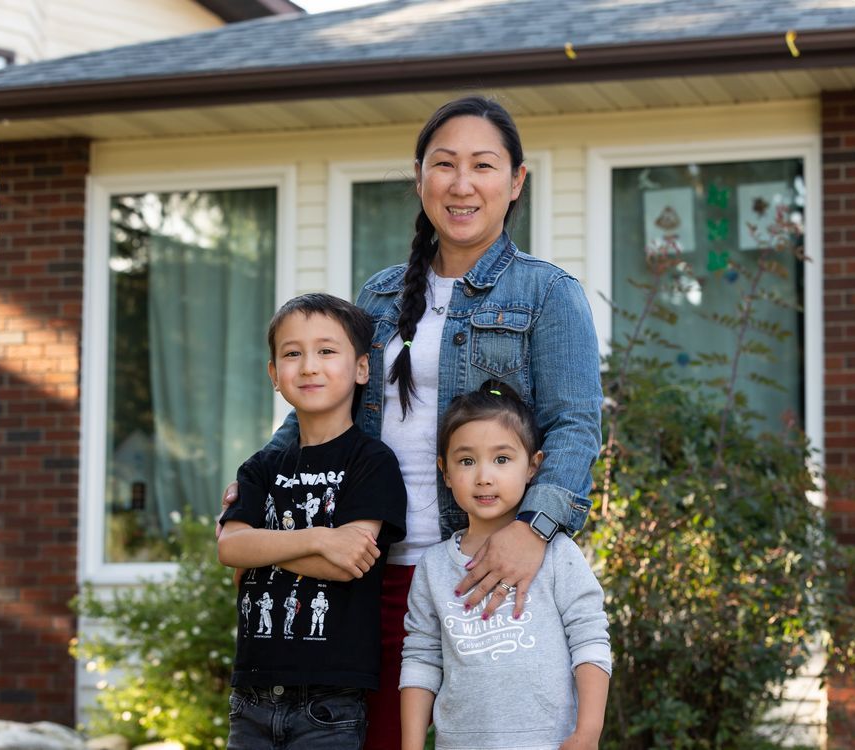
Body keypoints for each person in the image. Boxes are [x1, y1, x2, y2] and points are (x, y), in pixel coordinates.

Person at [221, 95, 602, 749]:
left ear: (515, 182)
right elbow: (324, 409)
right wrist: (262, 482)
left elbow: (575, 428)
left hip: (483, 570)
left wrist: (532, 532)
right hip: (364, 566)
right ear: (419, 176)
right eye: (443, 164)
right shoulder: (378, 295)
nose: (461, 184)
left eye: (482, 166)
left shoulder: (548, 294)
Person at [217, 293, 407, 750]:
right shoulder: (260, 466)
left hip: (330, 702)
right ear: (273, 375)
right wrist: (321, 537)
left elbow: (349, 562)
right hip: (251, 696)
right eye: (292, 353)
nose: (308, 366)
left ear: (361, 369)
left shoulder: (372, 462)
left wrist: (266, 546)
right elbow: (230, 548)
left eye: (326, 351)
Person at [400, 382, 611, 750]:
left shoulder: (558, 554)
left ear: (533, 466)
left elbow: (590, 640)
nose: (484, 476)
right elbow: (421, 659)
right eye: (467, 461)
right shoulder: (433, 568)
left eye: (501, 459)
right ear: (445, 472)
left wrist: (588, 732)